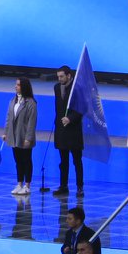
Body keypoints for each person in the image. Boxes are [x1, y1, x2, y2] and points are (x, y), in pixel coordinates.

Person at [51, 62, 85, 199]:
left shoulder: (77, 88)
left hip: (73, 130)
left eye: (61, 76)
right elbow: (58, 108)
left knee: (77, 161)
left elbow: (82, 109)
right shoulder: (56, 88)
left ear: (69, 76)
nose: (59, 79)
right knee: (63, 161)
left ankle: (79, 187)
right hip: (61, 130)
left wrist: (70, 118)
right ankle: (63, 185)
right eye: (58, 77)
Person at [6, 76, 37, 196]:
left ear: (24, 87)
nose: (16, 87)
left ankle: (27, 185)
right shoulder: (13, 101)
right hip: (14, 136)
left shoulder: (31, 103)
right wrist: (6, 132)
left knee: (26, 160)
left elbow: (31, 122)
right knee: (18, 161)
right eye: (16, 84)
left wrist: (28, 138)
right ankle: (19, 184)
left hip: (24, 137)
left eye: (18, 85)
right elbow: (8, 118)